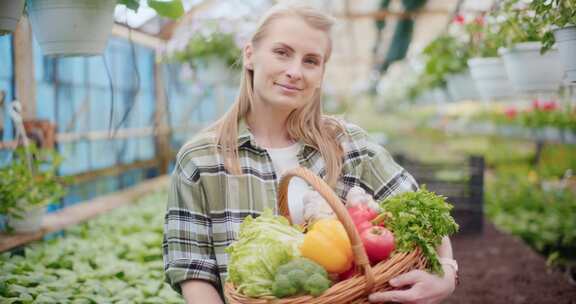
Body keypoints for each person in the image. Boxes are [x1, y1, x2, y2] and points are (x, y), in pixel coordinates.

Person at [162, 2, 458, 303]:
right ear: (250, 55)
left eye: (311, 61)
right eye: (282, 52)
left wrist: (446, 273)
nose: (294, 72)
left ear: (321, 73)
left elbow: (423, 215)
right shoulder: (201, 159)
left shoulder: (350, 145)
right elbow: (193, 271)